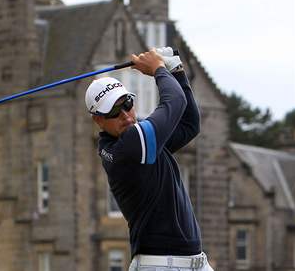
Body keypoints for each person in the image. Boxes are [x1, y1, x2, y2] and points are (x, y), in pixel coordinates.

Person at [85, 48, 214, 271]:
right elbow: (174, 102)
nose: (126, 115)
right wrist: (158, 69)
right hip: (161, 264)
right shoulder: (131, 145)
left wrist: (176, 70)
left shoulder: (138, 139)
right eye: (114, 112)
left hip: (194, 263)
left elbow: (189, 125)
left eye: (127, 104)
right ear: (99, 120)